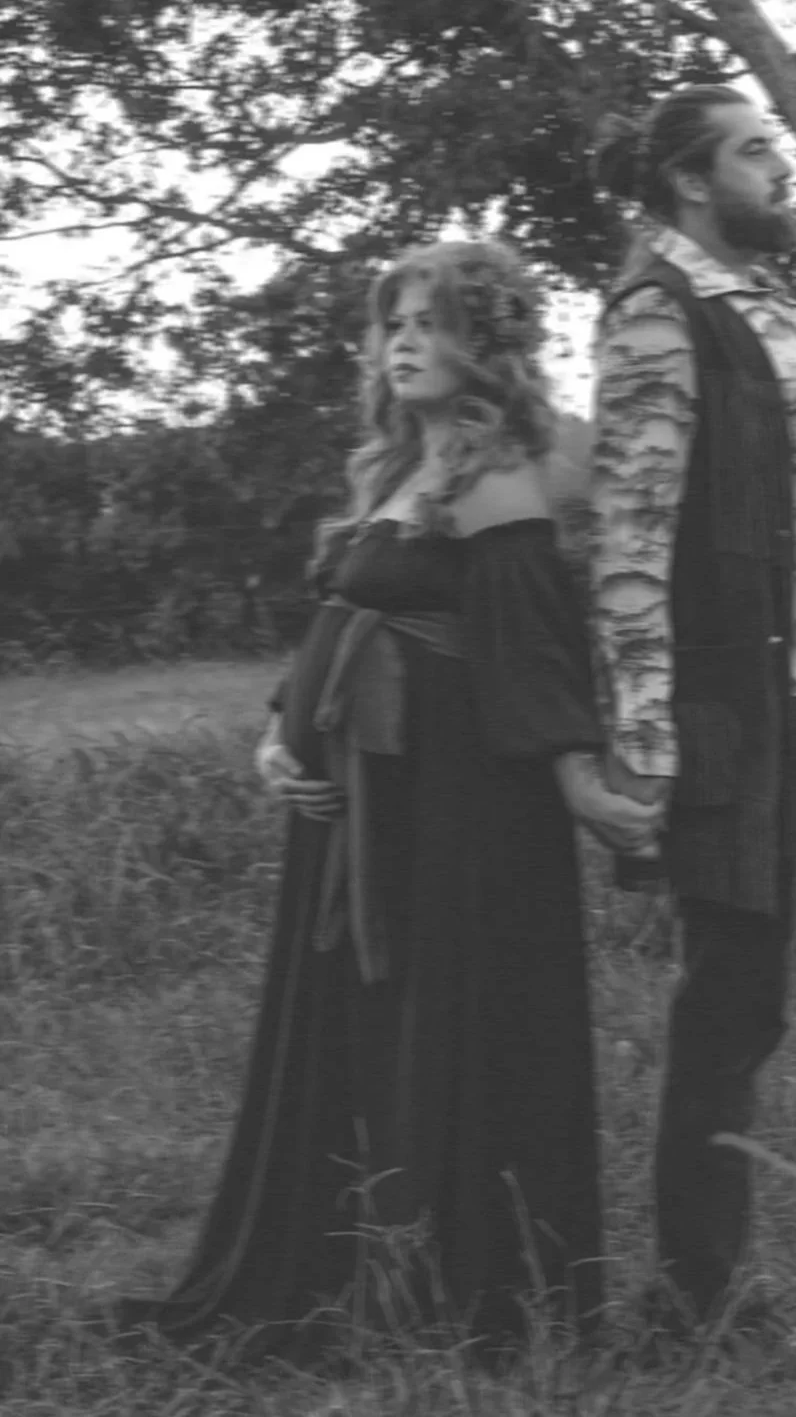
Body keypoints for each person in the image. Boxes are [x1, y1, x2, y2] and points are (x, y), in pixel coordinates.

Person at [118, 238, 660, 1360]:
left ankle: (457, 1298)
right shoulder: (393, 470)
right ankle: (341, 1264)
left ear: (490, 343)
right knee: (361, 1035)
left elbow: (532, 652)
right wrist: (283, 724)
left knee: (446, 1033)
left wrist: (579, 785)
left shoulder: (503, 472)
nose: (406, 340)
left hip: (452, 815)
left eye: (435, 321)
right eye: (395, 322)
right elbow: (343, 619)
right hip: (357, 805)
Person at [588, 85, 796, 1330]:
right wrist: (650, 738)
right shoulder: (659, 316)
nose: (784, 170)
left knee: (749, 992)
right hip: (736, 704)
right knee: (727, 997)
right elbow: (629, 537)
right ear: (686, 181)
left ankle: (704, 1277)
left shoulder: (759, 299)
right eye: (755, 151)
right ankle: (694, 1296)